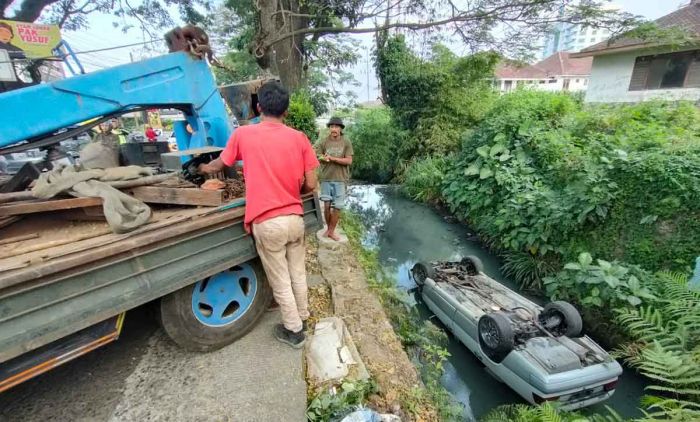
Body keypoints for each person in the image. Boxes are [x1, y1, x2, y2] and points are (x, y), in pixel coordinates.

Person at [198, 81, 319, 349]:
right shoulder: (300, 138)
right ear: (286, 111)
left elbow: (223, 163)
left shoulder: (244, 135)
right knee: (297, 273)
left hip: (267, 222)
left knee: (280, 279)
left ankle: (294, 331)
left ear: (258, 106)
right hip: (295, 220)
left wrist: (206, 168)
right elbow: (311, 185)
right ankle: (304, 317)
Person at [316, 117, 353, 241]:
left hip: (340, 179)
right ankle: (329, 229)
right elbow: (318, 156)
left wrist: (332, 158)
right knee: (326, 205)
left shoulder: (346, 142)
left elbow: (349, 160)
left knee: (337, 206)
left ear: (341, 129)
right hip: (326, 178)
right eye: (332, 126)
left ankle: (331, 231)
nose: (334, 129)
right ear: (329, 128)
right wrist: (323, 158)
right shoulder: (323, 141)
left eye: (337, 127)